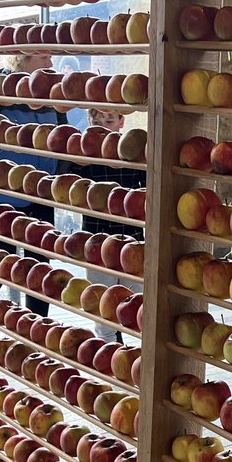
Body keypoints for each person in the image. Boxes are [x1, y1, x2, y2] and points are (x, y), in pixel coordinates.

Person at [0, 53, 63, 317]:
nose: (50, 64)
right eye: (44, 58)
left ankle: (38, 330)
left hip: (41, 195)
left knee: (40, 273)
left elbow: (62, 142)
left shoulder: (50, 97)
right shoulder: (0, 91)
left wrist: (54, 179)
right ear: (24, 58)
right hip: (3, 199)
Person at [76, 107, 145, 341]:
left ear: (121, 122)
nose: (103, 127)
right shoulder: (84, 157)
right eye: (97, 121)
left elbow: (146, 192)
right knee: (102, 306)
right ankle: (109, 349)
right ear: (88, 121)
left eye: (109, 120)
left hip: (131, 238)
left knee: (134, 300)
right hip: (96, 239)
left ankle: (128, 352)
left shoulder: (133, 154)